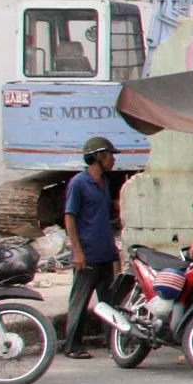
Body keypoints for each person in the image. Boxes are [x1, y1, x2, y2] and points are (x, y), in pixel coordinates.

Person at [61, 136, 120, 359]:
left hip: (105, 251)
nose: (113, 160)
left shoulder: (104, 184)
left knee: (109, 301)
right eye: (110, 155)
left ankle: (112, 342)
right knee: (80, 299)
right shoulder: (78, 184)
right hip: (87, 254)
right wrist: (77, 251)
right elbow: (70, 217)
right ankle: (72, 345)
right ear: (98, 156)